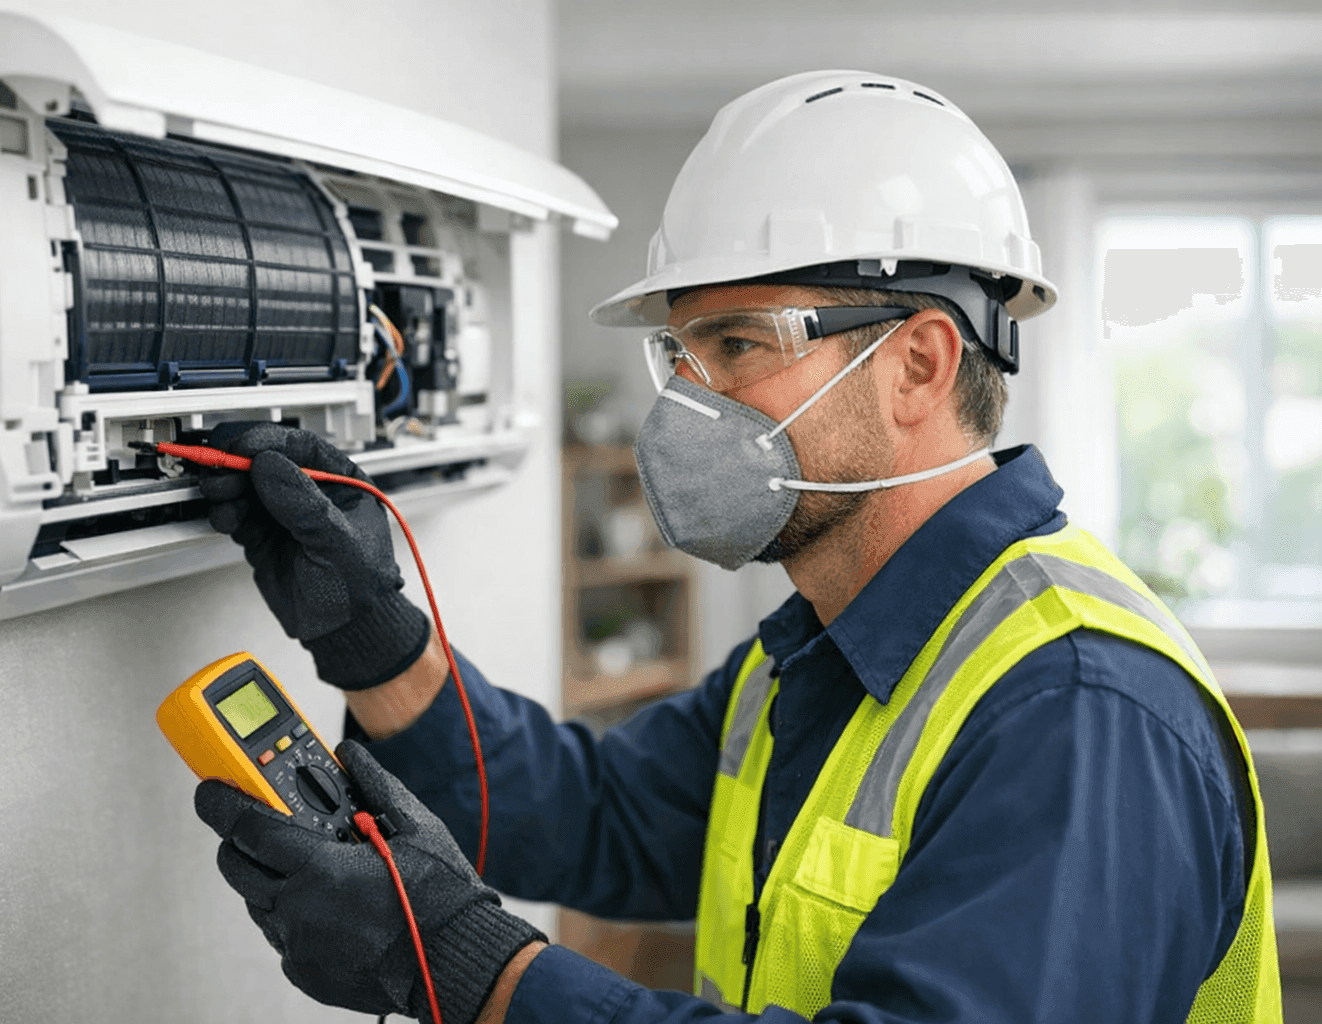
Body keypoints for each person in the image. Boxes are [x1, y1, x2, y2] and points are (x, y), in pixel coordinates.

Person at [191, 71, 1281, 1024]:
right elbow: (592, 814)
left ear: (919, 365)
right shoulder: (820, 650)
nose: (685, 403)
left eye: (739, 345)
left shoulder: (1079, 711)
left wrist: (474, 967)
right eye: (684, 351)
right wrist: (375, 636)